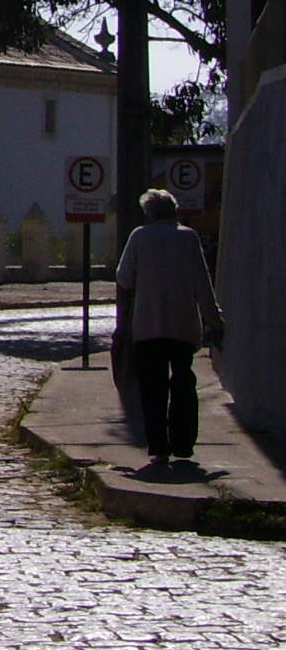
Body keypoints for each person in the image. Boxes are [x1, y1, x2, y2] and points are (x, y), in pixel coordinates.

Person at [114, 188, 225, 472]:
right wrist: (214, 321)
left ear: (148, 213)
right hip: (183, 327)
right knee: (184, 383)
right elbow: (203, 285)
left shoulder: (139, 237)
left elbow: (124, 277)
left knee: (153, 389)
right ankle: (183, 443)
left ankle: (159, 449)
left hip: (147, 327)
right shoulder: (188, 237)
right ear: (174, 210)